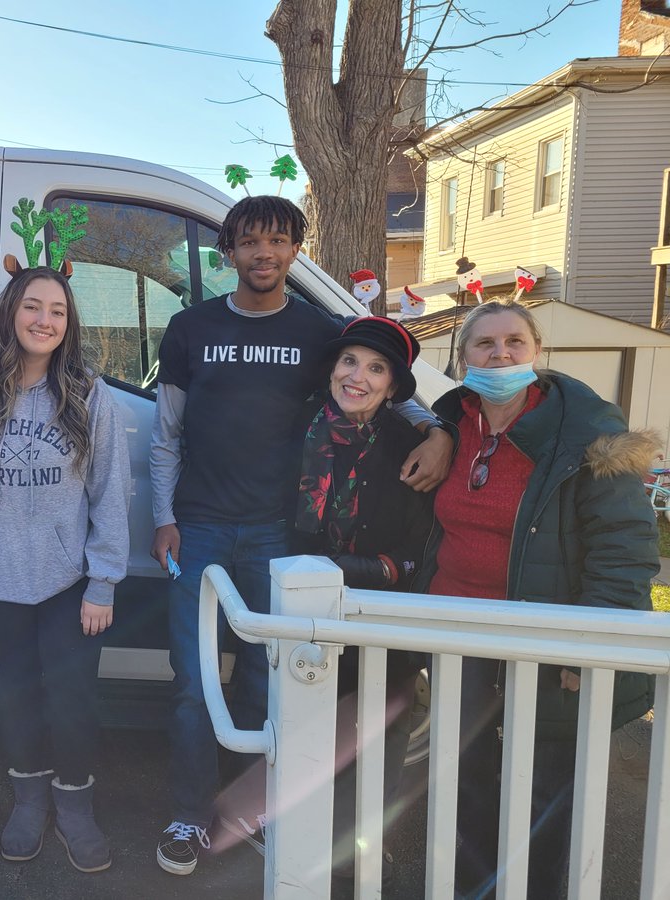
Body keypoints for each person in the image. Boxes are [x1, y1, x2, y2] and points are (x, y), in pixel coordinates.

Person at [149, 195, 454, 877]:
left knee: (269, 682)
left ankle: (250, 812)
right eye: (250, 242)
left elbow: (384, 385)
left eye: (279, 241)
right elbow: (166, 434)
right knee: (194, 686)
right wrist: (162, 518)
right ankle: (188, 816)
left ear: (295, 250)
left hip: (278, 537)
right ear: (227, 251)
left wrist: (441, 430)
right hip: (197, 529)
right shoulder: (188, 328)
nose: (265, 255)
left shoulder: (322, 330)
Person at [414, 299, 659, 897]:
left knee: (546, 790)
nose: (500, 354)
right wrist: (438, 431)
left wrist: (589, 642)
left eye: (514, 343)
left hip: (547, 638)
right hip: (457, 630)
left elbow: (623, 544)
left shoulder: (589, 434)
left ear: (537, 353)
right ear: (462, 356)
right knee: (465, 778)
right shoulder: (453, 423)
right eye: (485, 344)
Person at [0, 263, 130, 874]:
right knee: (16, 694)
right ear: (10, 313)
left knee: (71, 699)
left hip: (69, 584)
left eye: (58, 311)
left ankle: (74, 807)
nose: (45, 320)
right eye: (32, 307)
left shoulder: (90, 394)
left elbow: (109, 492)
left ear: (69, 324)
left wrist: (102, 581)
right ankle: (27, 799)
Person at [292, 316, 433, 877]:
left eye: (377, 369)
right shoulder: (296, 424)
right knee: (306, 731)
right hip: (302, 608)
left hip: (381, 606)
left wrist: (343, 570)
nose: (358, 377)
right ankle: (301, 845)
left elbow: (416, 545)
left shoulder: (414, 445)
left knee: (380, 732)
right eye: (350, 361)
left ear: (394, 387)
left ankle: (359, 855)